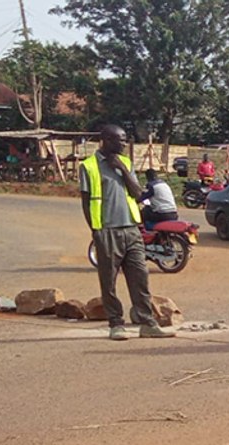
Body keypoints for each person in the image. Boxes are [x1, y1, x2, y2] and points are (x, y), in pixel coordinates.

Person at [79, 125, 176, 341]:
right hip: (107, 231)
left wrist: (122, 170)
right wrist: (96, 231)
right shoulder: (89, 166)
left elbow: (138, 194)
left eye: (124, 139)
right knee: (109, 281)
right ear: (104, 139)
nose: (123, 143)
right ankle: (116, 324)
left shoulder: (127, 163)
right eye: (119, 140)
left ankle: (147, 322)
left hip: (132, 229)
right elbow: (85, 203)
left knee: (140, 277)